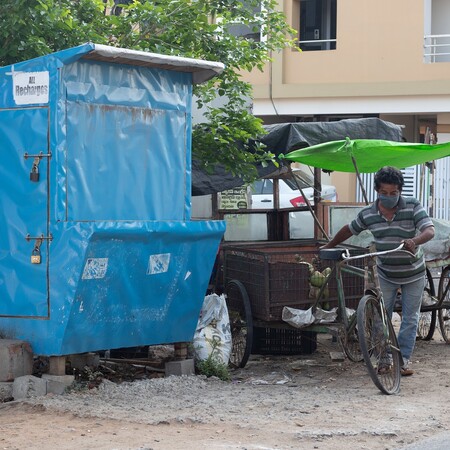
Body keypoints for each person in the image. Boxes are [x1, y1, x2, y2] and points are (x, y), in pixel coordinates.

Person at [322, 166, 435, 376]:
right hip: (386, 273)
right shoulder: (369, 213)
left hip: (413, 273)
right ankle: (384, 359)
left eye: (394, 193)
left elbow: (429, 230)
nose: (389, 197)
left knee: (410, 318)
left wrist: (414, 241)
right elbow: (350, 229)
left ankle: (403, 361)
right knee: (380, 317)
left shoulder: (412, 205)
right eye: (384, 193)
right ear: (377, 191)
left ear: (400, 191)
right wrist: (329, 246)